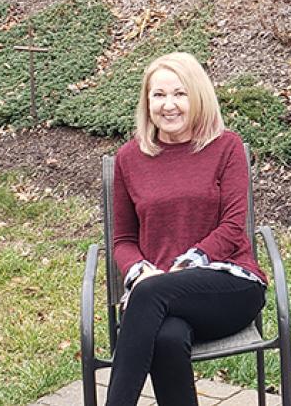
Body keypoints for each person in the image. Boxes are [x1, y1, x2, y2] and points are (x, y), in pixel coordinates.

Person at [106, 52, 267, 406]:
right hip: (162, 297)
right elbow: (123, 240)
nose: (169, 105)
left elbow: (232, 227)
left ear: (197, 96)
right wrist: (138, 268)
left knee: (148, 295)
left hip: (228, 283)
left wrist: (189, 261)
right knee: (166, 337)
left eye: (180, 94)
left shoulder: (226, 147)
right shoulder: (129, 159)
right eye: (158, 95)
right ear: (146, 102)